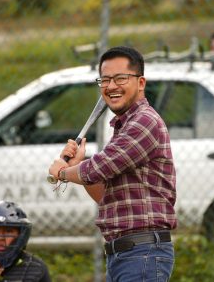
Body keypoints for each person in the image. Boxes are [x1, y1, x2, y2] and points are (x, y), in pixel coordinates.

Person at [49, 46, 177, 281]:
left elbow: (99, 168)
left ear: (140, 83)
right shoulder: (124, 127)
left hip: (143, 254)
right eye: (105, 80)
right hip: (124, 255)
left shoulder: (144, 121)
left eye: (120, 78)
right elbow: (107, 197)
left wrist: (64, 172)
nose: (110, 86)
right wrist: (79, 164)